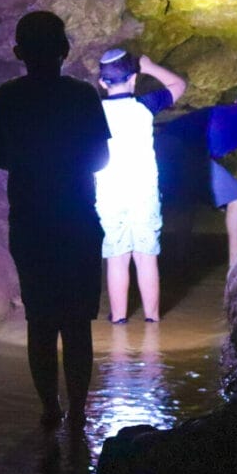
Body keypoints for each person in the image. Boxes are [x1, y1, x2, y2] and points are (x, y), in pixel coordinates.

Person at [0, 11, 111, 429]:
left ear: (19, 52)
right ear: (65, 50)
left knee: (40, 321)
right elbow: (101, 158)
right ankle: (77, 412)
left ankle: (50, 411)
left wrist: (34, 159)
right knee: (77, 322)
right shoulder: (81, 96)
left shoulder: (9, 96)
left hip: (31, 221)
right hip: (76, 218)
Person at [94, 49, 186, 323]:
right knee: (146, 257)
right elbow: (178, 85)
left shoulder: (94, 112)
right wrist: (149, 66)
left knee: (117, 258)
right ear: (134, 79)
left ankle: (119, 318)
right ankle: (152, 319)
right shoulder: (145, 105)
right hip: (143, 192)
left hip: (109, 192)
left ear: (102, 83)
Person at [156, 86, 237, 268]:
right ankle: (235, 266)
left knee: (185, 197)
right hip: (187, 151)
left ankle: (179, 255)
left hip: (158, 147)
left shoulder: (217, 110)